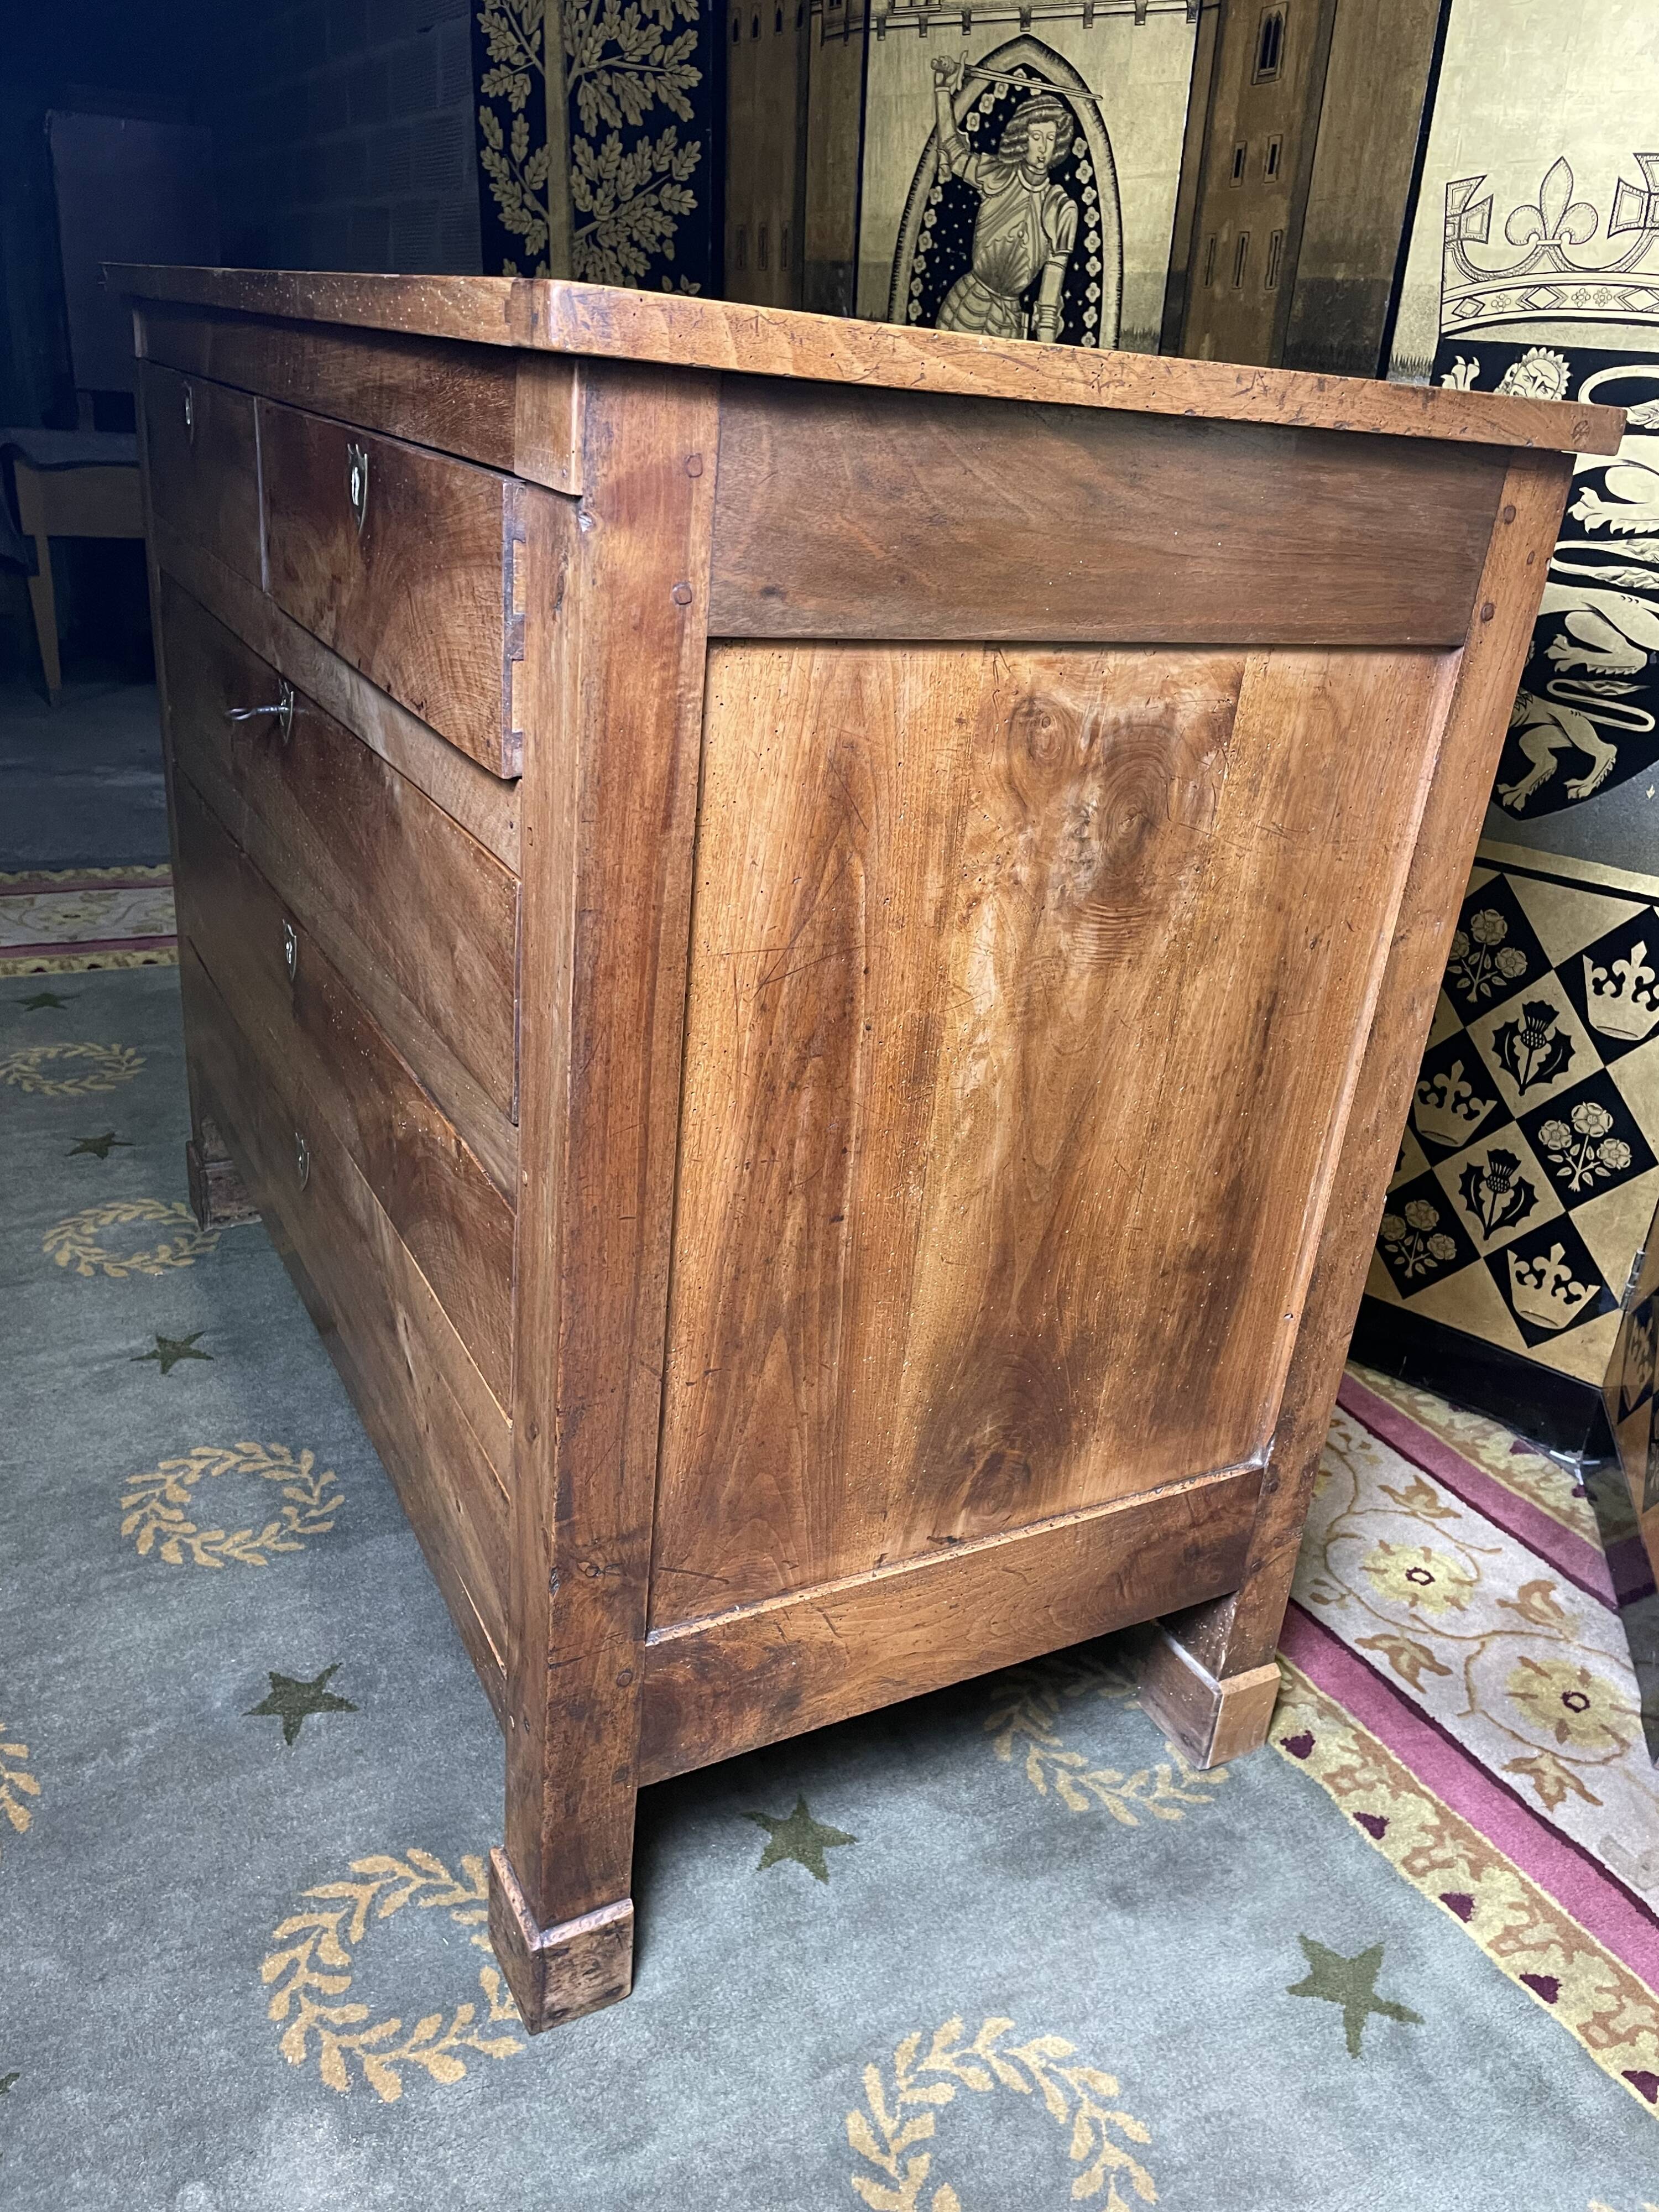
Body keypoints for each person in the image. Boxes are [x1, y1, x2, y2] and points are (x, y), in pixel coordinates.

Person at [929, 54, 1079, 345]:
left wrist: (1045, 354)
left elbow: (1049, 301)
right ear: (1024, 138)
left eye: (1050, 138)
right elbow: (951, 148)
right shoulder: (998, 175)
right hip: (963, 304)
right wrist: (942, 90)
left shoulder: (1061, 207)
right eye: (1037, 137)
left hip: (1008, 321)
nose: (1042, 148)